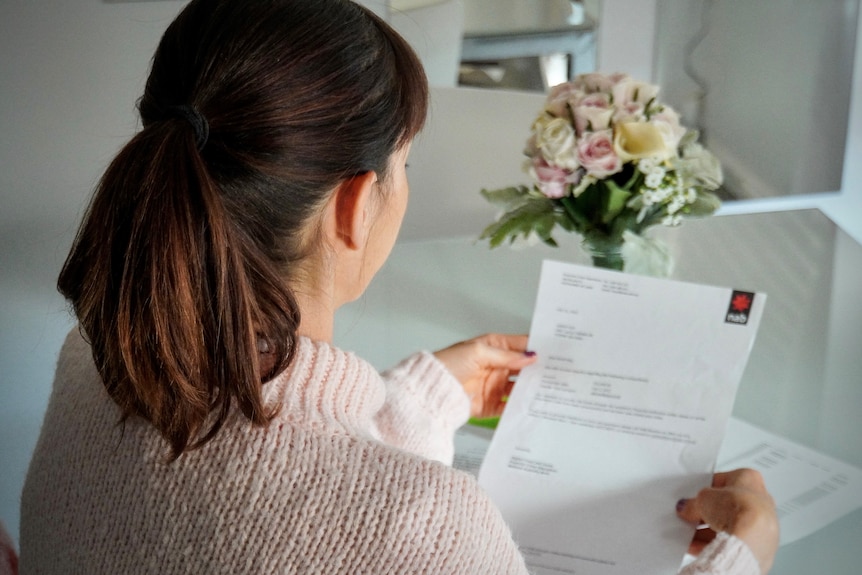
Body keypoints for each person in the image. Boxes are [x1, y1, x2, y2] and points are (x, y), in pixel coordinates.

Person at [19, 0, 779, 573]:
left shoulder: (92, 363)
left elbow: (283, 484)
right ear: (353, 205)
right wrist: (741, 553)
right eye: (404, 165)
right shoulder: (430, 528)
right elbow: (347, 520)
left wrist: (424, 397)